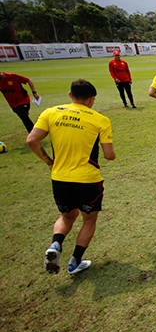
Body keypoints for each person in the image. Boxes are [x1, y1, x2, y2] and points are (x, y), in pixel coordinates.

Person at [26, 79, 116, 275]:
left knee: (67, 215)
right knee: (88, 220)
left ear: (69, 95)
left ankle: (55, 245)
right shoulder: (100, 119)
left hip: (59, 178)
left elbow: (31, 140)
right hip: (88, 179)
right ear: (92, 100)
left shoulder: (50, 113)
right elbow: (109, 155)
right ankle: (75, 261)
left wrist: (49, 162)